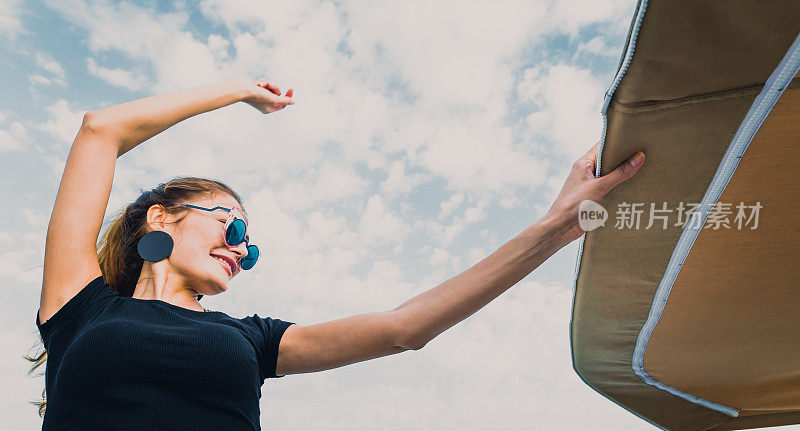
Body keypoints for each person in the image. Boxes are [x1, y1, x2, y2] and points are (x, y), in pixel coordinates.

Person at [27, 76, 645, 430]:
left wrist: (554, 227)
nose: (240, 251)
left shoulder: (251, 338)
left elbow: (405, 328)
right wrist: (239, 90)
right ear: (161, 218)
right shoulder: (80, 308)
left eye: (251, 246)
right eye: (231, 228)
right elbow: (100, 129)